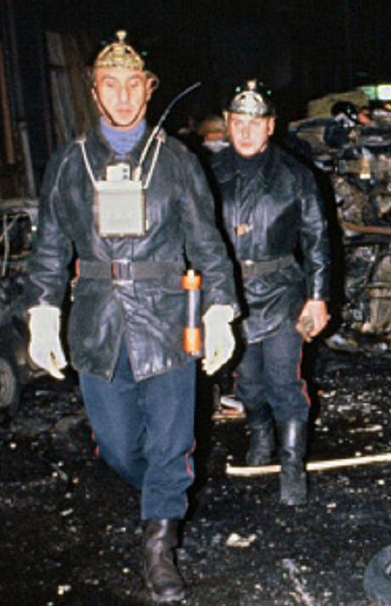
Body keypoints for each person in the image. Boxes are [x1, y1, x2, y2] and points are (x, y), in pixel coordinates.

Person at [25, 31, 239, 602]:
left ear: (148, 90)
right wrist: (42, 312)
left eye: (132, 85)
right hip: (97, 322)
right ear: (94, 93)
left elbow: (208, 241)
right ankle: (166, 500)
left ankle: (159, 544)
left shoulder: (176, 161)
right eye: (109, 86)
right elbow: (49, 246)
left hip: (168, 320)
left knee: (172, 440)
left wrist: (220, 309)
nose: (122, 96)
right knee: (119, 446)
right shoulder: (69, 163)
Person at [210, 80, 330, 506]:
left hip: (283, 294)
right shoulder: (207, 174)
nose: (245, 131)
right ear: (226, 124)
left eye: (254, 123)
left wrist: (317, 296)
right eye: (237, 122)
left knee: (283, 380)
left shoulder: (296, 174)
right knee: (248, 384)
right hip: (230, 296)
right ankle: (259, 432)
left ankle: (292, 464)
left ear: (271, 126)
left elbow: (317, 237)